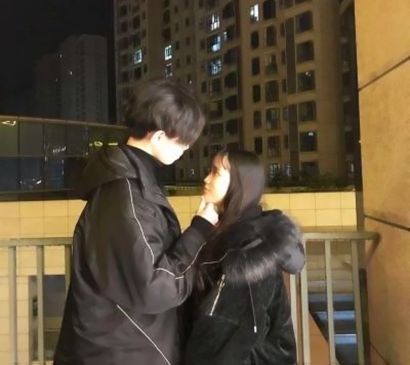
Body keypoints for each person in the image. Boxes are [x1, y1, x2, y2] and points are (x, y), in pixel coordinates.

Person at [53, 79, 218, 365]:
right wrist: (200, 230)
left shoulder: (126, 181)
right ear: (159, 137)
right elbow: (154, 287)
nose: (186, 148)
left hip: (120, 345)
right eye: (183, 140)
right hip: (125, 350)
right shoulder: (127, 193)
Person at [183, 149, 305, 365]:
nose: (206, 179)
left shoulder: (249, 248)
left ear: (240, 183)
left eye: (215, 172)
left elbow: (225, 334)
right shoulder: (226, 231)